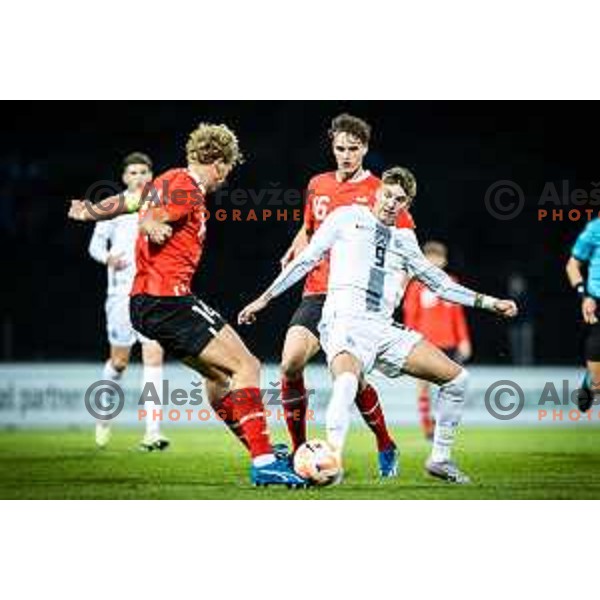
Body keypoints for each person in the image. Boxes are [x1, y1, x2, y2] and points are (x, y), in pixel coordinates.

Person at [239, 166, 518, 484]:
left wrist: (489, 302)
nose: (390, 202)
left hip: (382, 329)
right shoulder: (345, 217)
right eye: (386, 194)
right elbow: (307, 258)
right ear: (377, 191)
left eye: (399, 199)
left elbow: (439, 283)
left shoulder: (405, 238)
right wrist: (265, 298)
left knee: (457, 380)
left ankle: (440, 459)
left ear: (407, 204)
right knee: (345, 383)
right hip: (342, 320)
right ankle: (333, 461)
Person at [69, 122, 306, 487]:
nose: (227, 175)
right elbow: (151, 214)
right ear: (218, 161)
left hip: (146, 303)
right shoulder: (187, 187)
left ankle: (260, 449)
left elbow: (129, 203)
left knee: (217, 377)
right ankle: (263, 461)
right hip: (168, 298)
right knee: (247, 365)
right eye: (228, 166)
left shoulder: (164, 179)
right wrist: (151, 224)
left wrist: (90, 210)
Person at [277, 113, 415, 477]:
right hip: (318, 291)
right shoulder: (317, 183)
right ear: (332, 146)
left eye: (354, 149)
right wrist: (294, 249)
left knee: (350, 381)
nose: (346, 155)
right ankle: (300, 452)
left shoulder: (380, 191)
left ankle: (385, 442)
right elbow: (309, 230)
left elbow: (405, 247)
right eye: (340, 148)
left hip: (356, 300)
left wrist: (398, 286)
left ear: (365, 149)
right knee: (290, 362)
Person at [88, 152, 168, 451]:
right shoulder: (114, 206)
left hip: (150, 290)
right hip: (120, 293)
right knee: (120, 362)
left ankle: (152, 432)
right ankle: (103, 416)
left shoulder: (158, 206)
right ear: (125, 177)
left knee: (154, 355)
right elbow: (95, 245)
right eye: (133, 172)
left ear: (151, 175)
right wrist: (107, 257)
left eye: (144, 172)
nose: (139, 177)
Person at [403, 241, 471, 440]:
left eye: (438, 257)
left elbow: (458, 314)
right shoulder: (416, 285)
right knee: (422, 385)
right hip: (424, 342)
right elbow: (410, 316)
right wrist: (410, 340)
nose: (434, 260)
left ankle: (443, 425)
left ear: (444, 260)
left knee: (448, 387)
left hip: (448, 342)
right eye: (430, 257)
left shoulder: (452, 282)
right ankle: (427, 427)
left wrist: (464, 340)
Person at [566, 219, 600, 411]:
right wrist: (584, 296)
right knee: (598, 384)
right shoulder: (595, 229)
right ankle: (590, 383)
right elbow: (572, 266)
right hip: (597, 305)